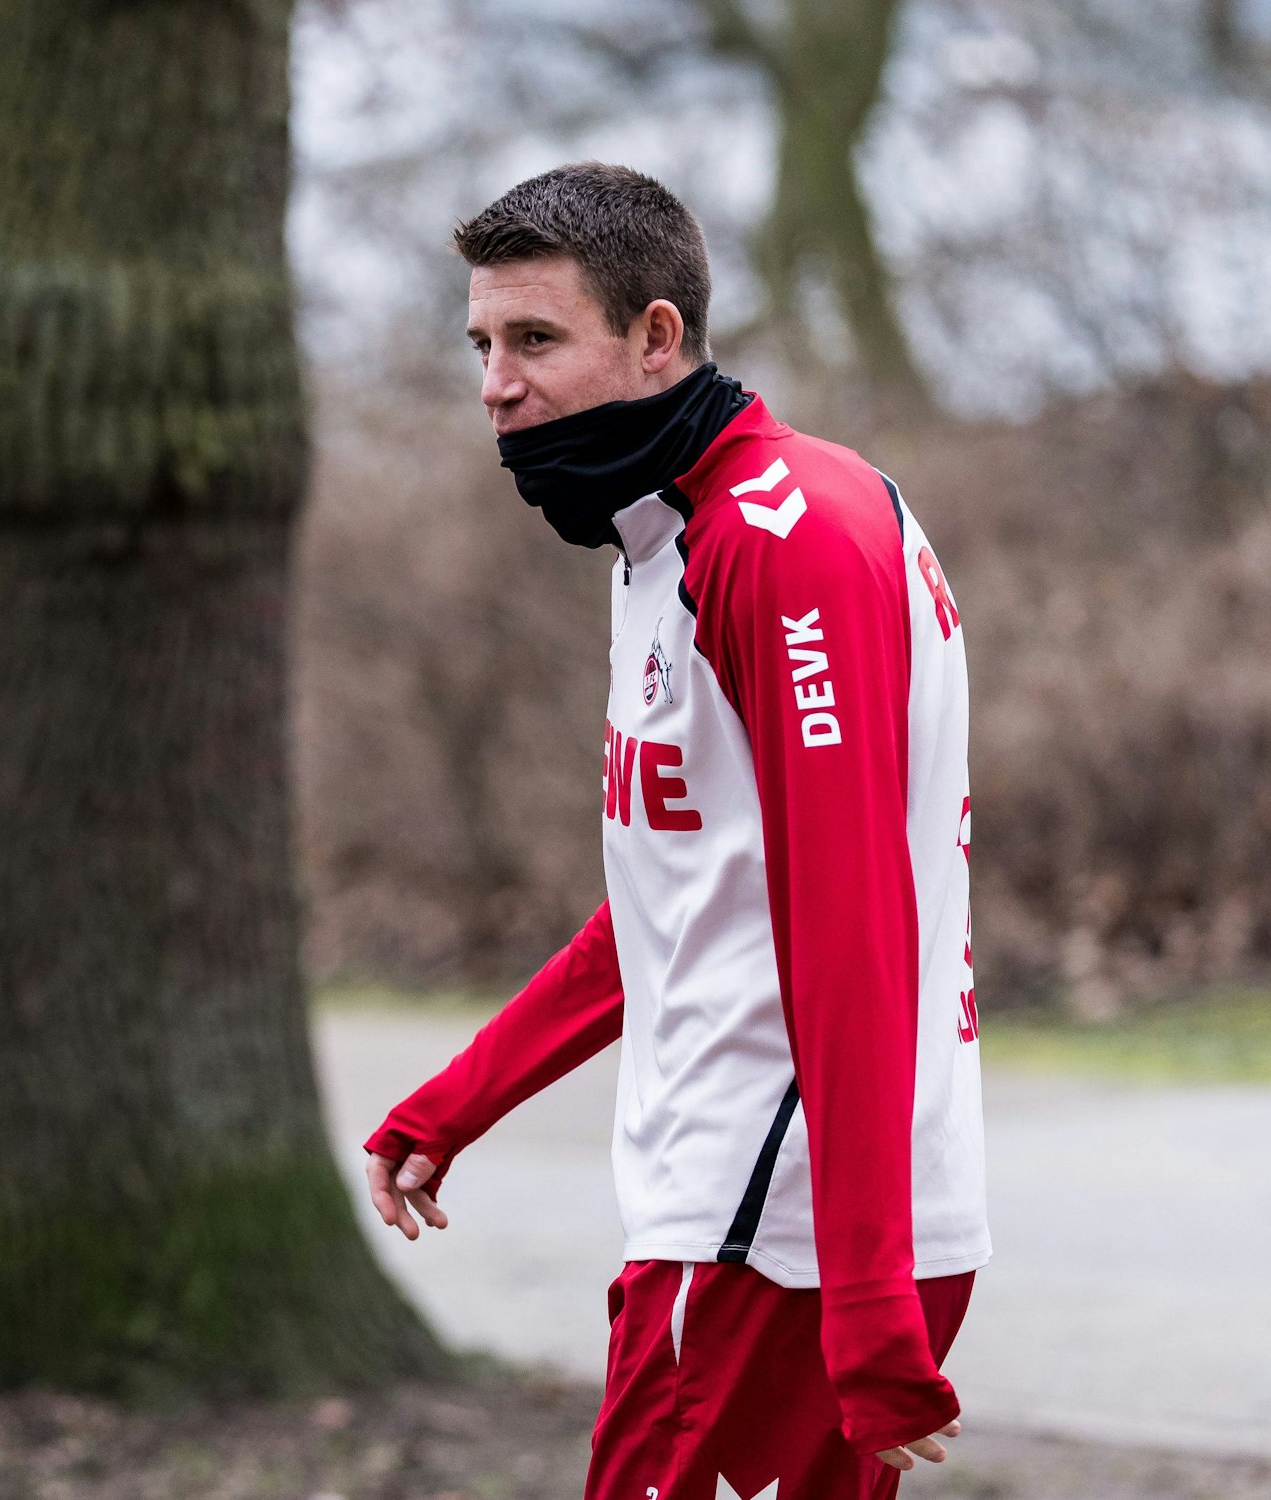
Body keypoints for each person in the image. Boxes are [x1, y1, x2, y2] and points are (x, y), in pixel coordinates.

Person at [362, 163, 989, 1500]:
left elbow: (851, 917)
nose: (495, 385)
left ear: (655, 338)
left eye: (535, 340)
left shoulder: (787, 540)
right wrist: (462, 1101)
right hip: (755, 1218)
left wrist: (868, 1292)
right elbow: (685, 892)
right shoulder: (666, 537)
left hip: (783, 1229)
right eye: (481, 345)